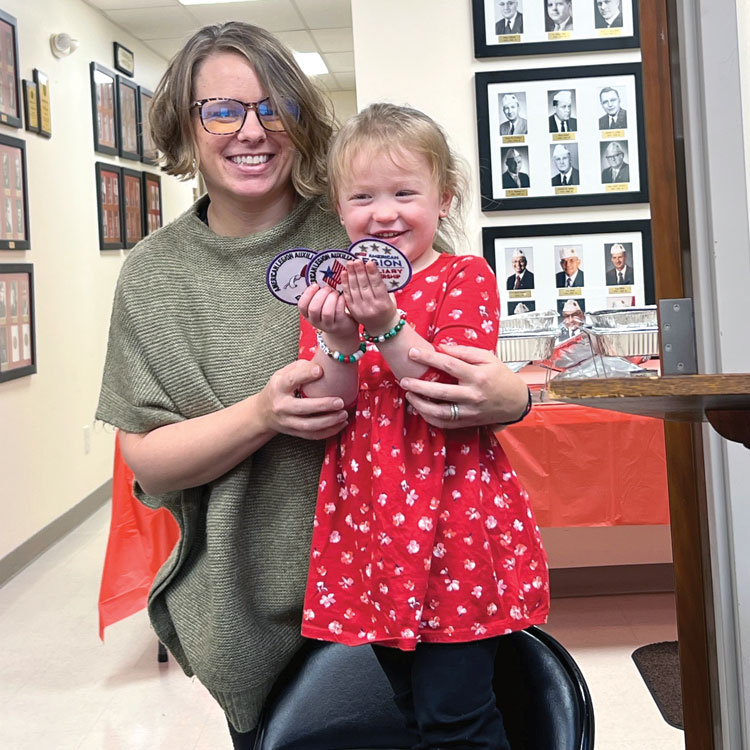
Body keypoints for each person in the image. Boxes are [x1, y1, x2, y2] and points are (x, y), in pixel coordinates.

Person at [94, 21, 532, 749]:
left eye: (275, 108)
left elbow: (458, 354)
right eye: (222, 110)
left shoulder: (370, 225)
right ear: (185, 126)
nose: (251, 131)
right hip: (253, 604)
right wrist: (264, 412)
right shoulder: (154, 276)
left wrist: (514, 399)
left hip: (409, 578)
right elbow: (147, 458)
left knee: (450, 727)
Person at [296, 102, 549, 750]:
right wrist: (334, 335)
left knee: (455, 720)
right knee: (411, 709)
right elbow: (333, 405)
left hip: (452, 527)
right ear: (339, 207)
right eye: (363, 197)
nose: (384, 213)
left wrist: (384, 327)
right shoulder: (336, 292)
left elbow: (445, 390)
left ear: (444, 197)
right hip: (372, 535)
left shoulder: (464, 276)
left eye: (404, 193)